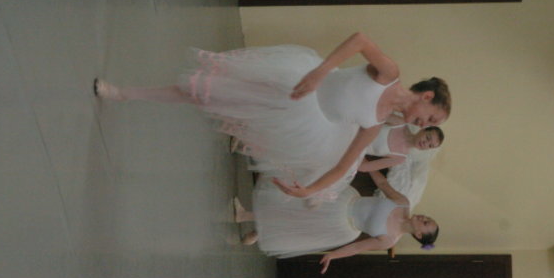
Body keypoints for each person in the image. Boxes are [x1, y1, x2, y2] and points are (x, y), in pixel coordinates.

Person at [94, 32, 451, 199]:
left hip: (295, 117)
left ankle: (125, 94)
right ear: (427, 96)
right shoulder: (390, 73)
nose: (424, 125)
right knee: (206, 88)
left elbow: (345, 165)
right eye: (431, 118)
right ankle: (123, 92)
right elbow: (359, 40)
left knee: (204, 97)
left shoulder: (375, 124)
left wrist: (309, 190)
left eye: (430, 126)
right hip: (294, 79)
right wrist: (321, 72)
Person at [234, 169, 439, 273]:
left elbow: (358, 247)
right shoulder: (403, 203)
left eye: (425, 223)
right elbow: (383, 183)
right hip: (345, 198)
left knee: (298, 220)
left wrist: (333, 255)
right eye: (427, 218)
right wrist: (365, 163)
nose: (423, 217)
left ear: (418, 234)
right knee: (297, 203)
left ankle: (251, 222)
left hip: (342, 224)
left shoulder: (389, 240)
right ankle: (254, 225)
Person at [358, 125, 444, 173]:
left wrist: (356, 152)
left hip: (353, 149)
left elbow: (364, 167)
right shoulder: (400, 123)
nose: (426, 143)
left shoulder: (400, 158)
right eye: (428, 138)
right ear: (423, 129)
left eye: (430, 146)